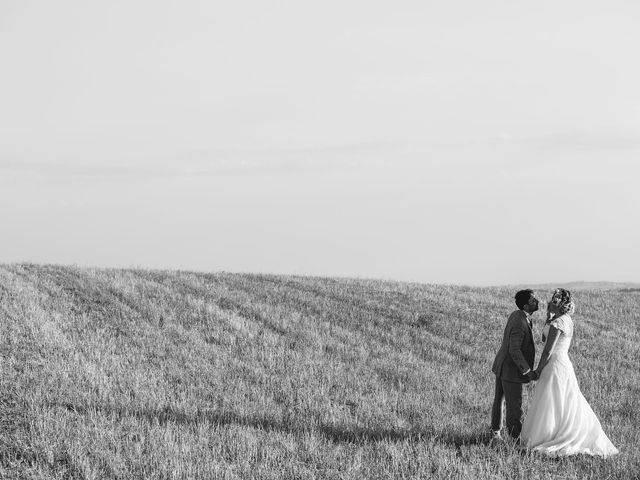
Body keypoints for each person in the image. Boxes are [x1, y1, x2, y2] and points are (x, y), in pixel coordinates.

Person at [521, 289, 619, 457]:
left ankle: (551, 436)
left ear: (559, 303)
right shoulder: (564, 320)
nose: (550, 302)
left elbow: (548, 351)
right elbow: (545, 340)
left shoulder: (558, 323)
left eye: (553, 300)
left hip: (554, 364)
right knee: (562, 399)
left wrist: (538, 370)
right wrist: (549, 318)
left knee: (553, 399)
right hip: (562, 363)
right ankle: (555, 432)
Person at [490, 289, 539, 440]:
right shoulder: (520, 321)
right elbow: (514, 349)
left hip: (502, 365)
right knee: (514, 406)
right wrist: (527, 371)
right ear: (525, 306)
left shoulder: (517, 315)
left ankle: (495, 432)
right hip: (511, 369)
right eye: (533, 300)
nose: (537, 301)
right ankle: (515, 438)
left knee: (499, 400)